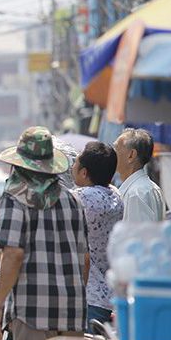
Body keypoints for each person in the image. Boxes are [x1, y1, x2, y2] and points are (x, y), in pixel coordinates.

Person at [0, 126, 89, 340]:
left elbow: (13, 253)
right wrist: (74, 295)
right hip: (71, 310)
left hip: (31, 311)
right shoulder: (72, 199)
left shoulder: (14, 196)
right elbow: (84, 257)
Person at [72, 141, 123, 329]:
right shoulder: (116, 195)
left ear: (84, 172)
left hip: (89, 295)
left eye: (75, 163)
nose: (72, 167)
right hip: (111, 293)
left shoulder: (79, 197)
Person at [114, 128, 165, 222]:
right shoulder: (148, 187)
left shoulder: (135, 194)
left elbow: (138, 235)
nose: (112, 154)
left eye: (116, 148)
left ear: (131, 155)